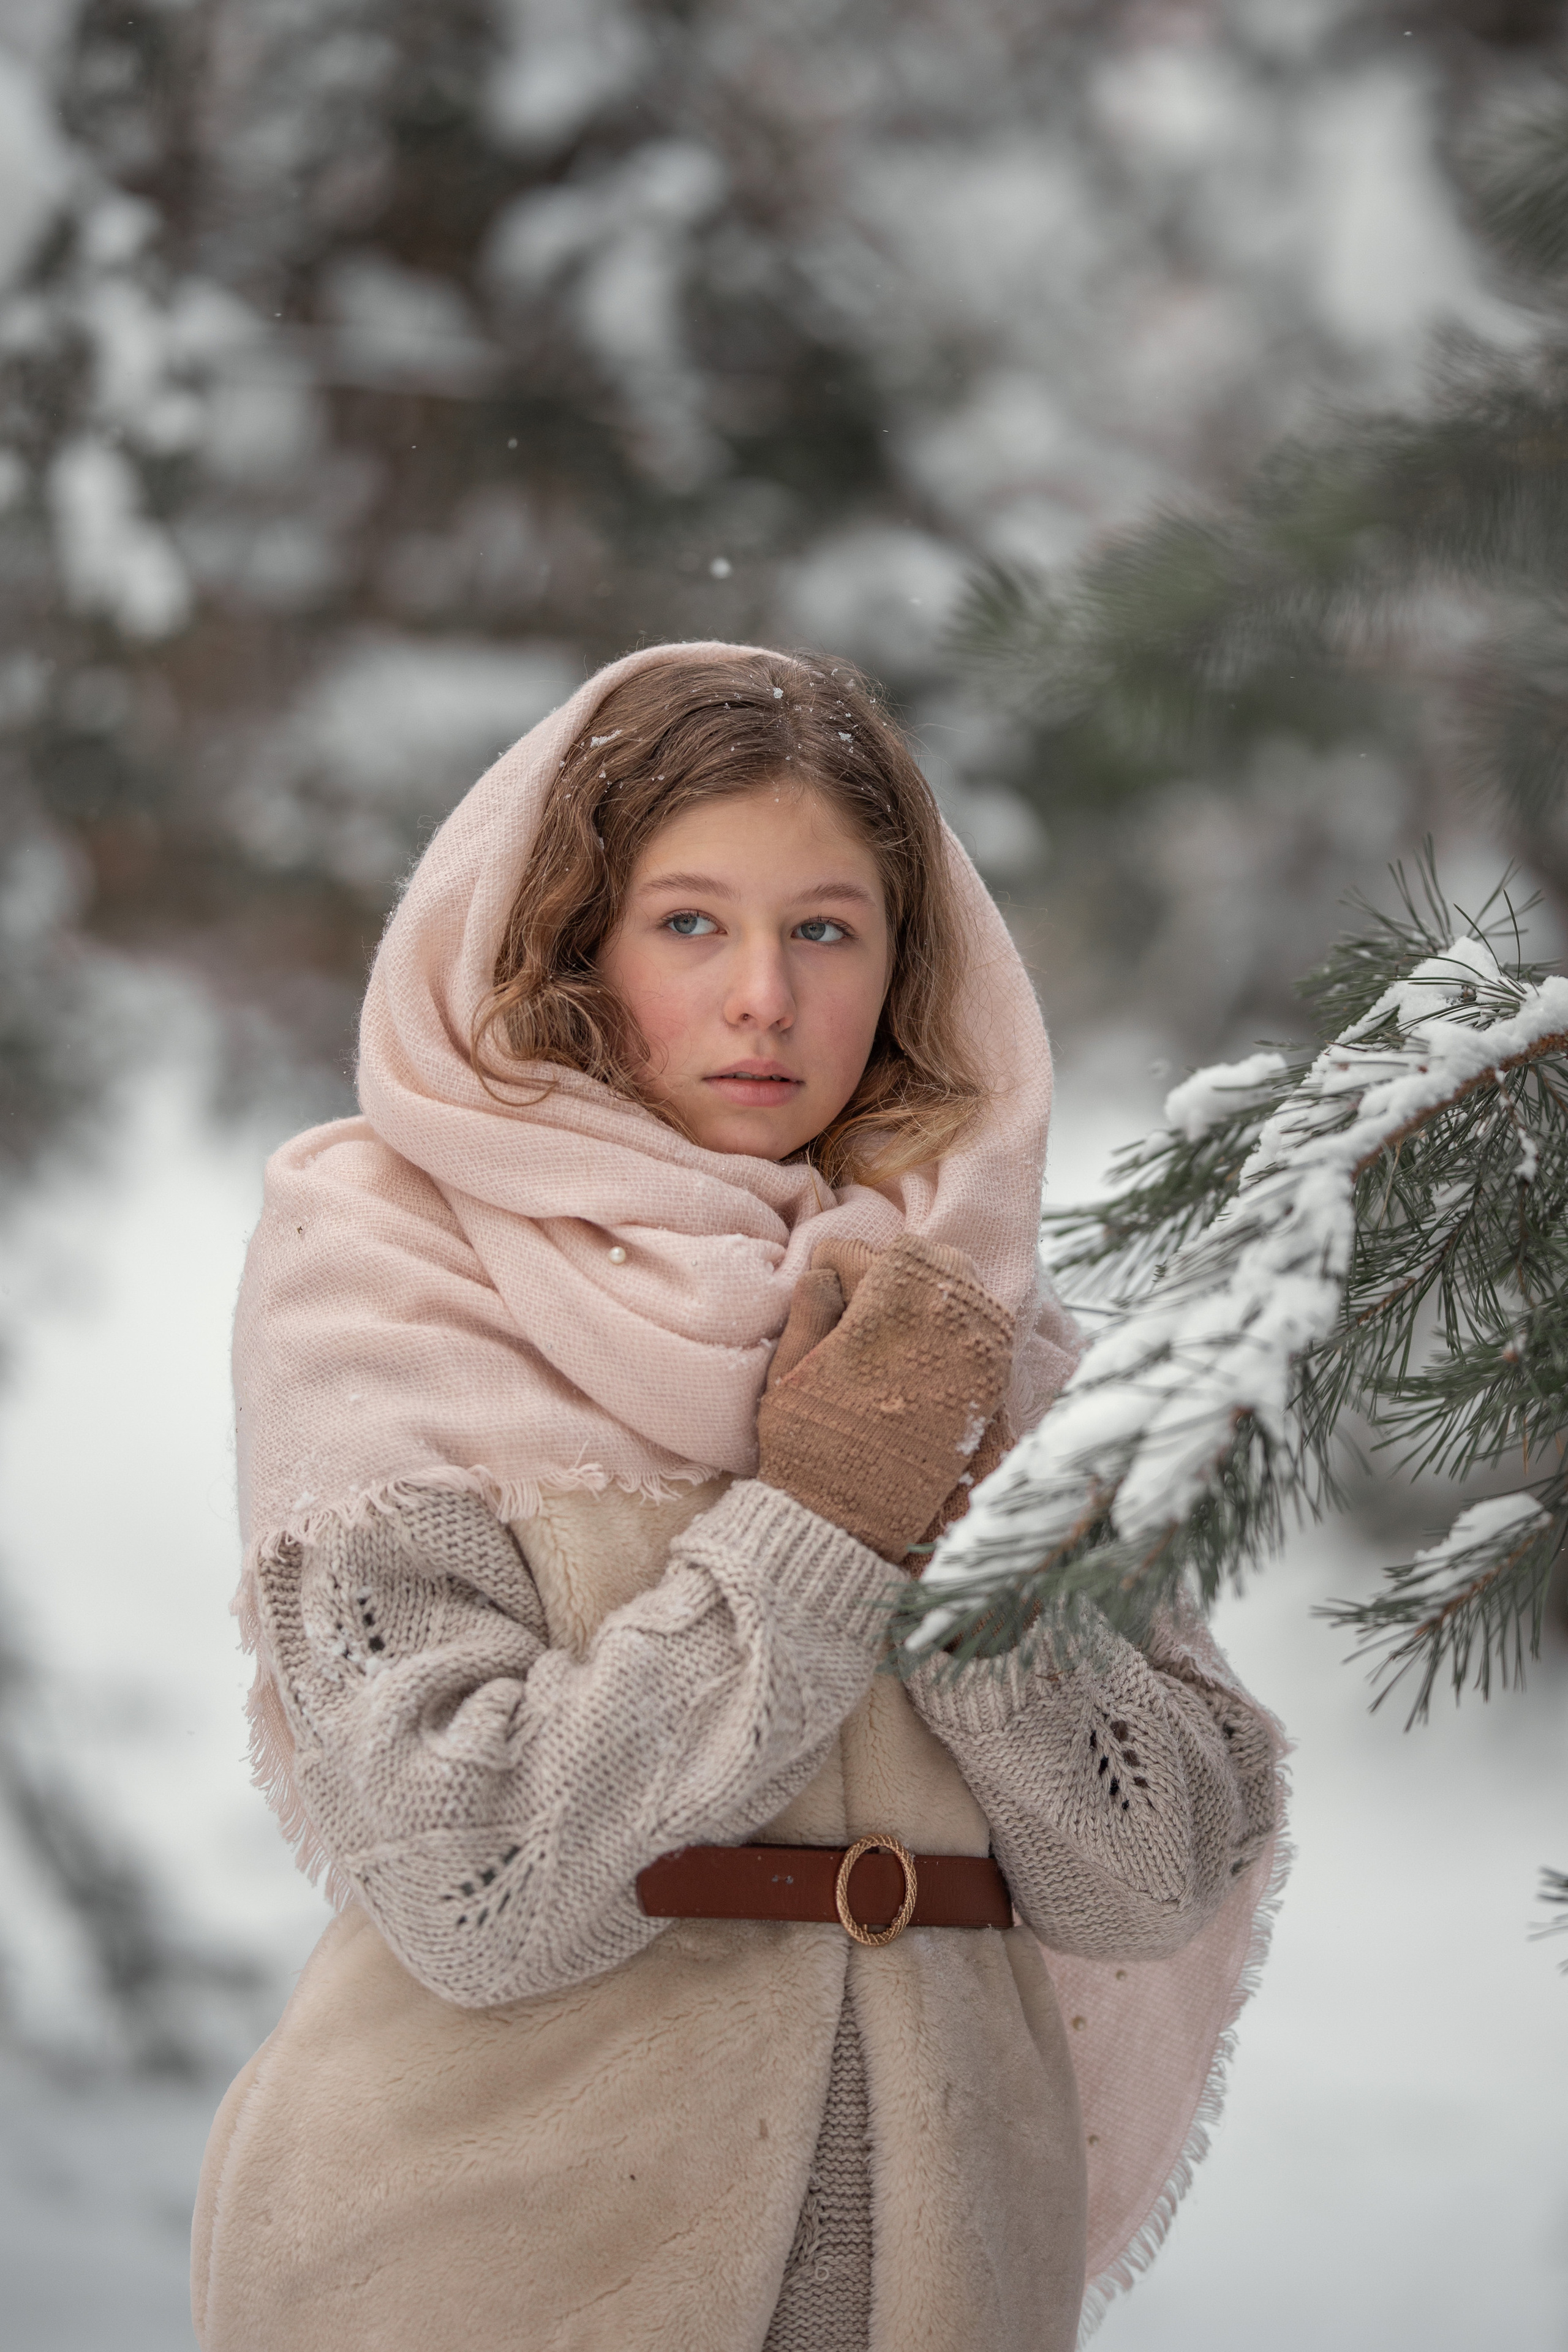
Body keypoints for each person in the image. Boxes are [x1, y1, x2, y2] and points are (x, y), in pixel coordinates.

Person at [192, 642, 1284, 2352]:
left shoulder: (978, 1326)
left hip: (946, 2275)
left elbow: (1155, 1867)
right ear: (569, 940)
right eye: (690, 922)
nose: (764, 995)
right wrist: (828, 1516)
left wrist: (950, 1507)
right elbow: (471, 1875)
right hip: (481, 2260)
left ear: (910, 965)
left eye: (825, 929)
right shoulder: (388, 1278)